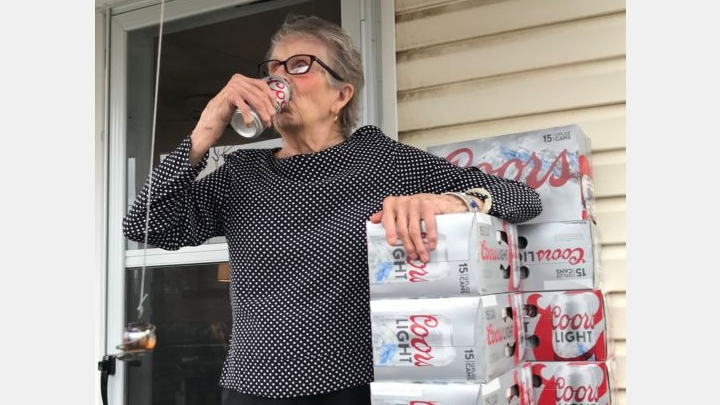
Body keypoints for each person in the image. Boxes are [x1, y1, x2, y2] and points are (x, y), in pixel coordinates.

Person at [123, 14, 542, 405]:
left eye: (299, 65)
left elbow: (524, 198)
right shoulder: (242, 174)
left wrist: (450, 201)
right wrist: (204, 131)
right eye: (273, 68)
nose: (277, 79)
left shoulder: (382, 161)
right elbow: (146, 225)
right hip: (252, 389)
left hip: (355, 387)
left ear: (340, 95)